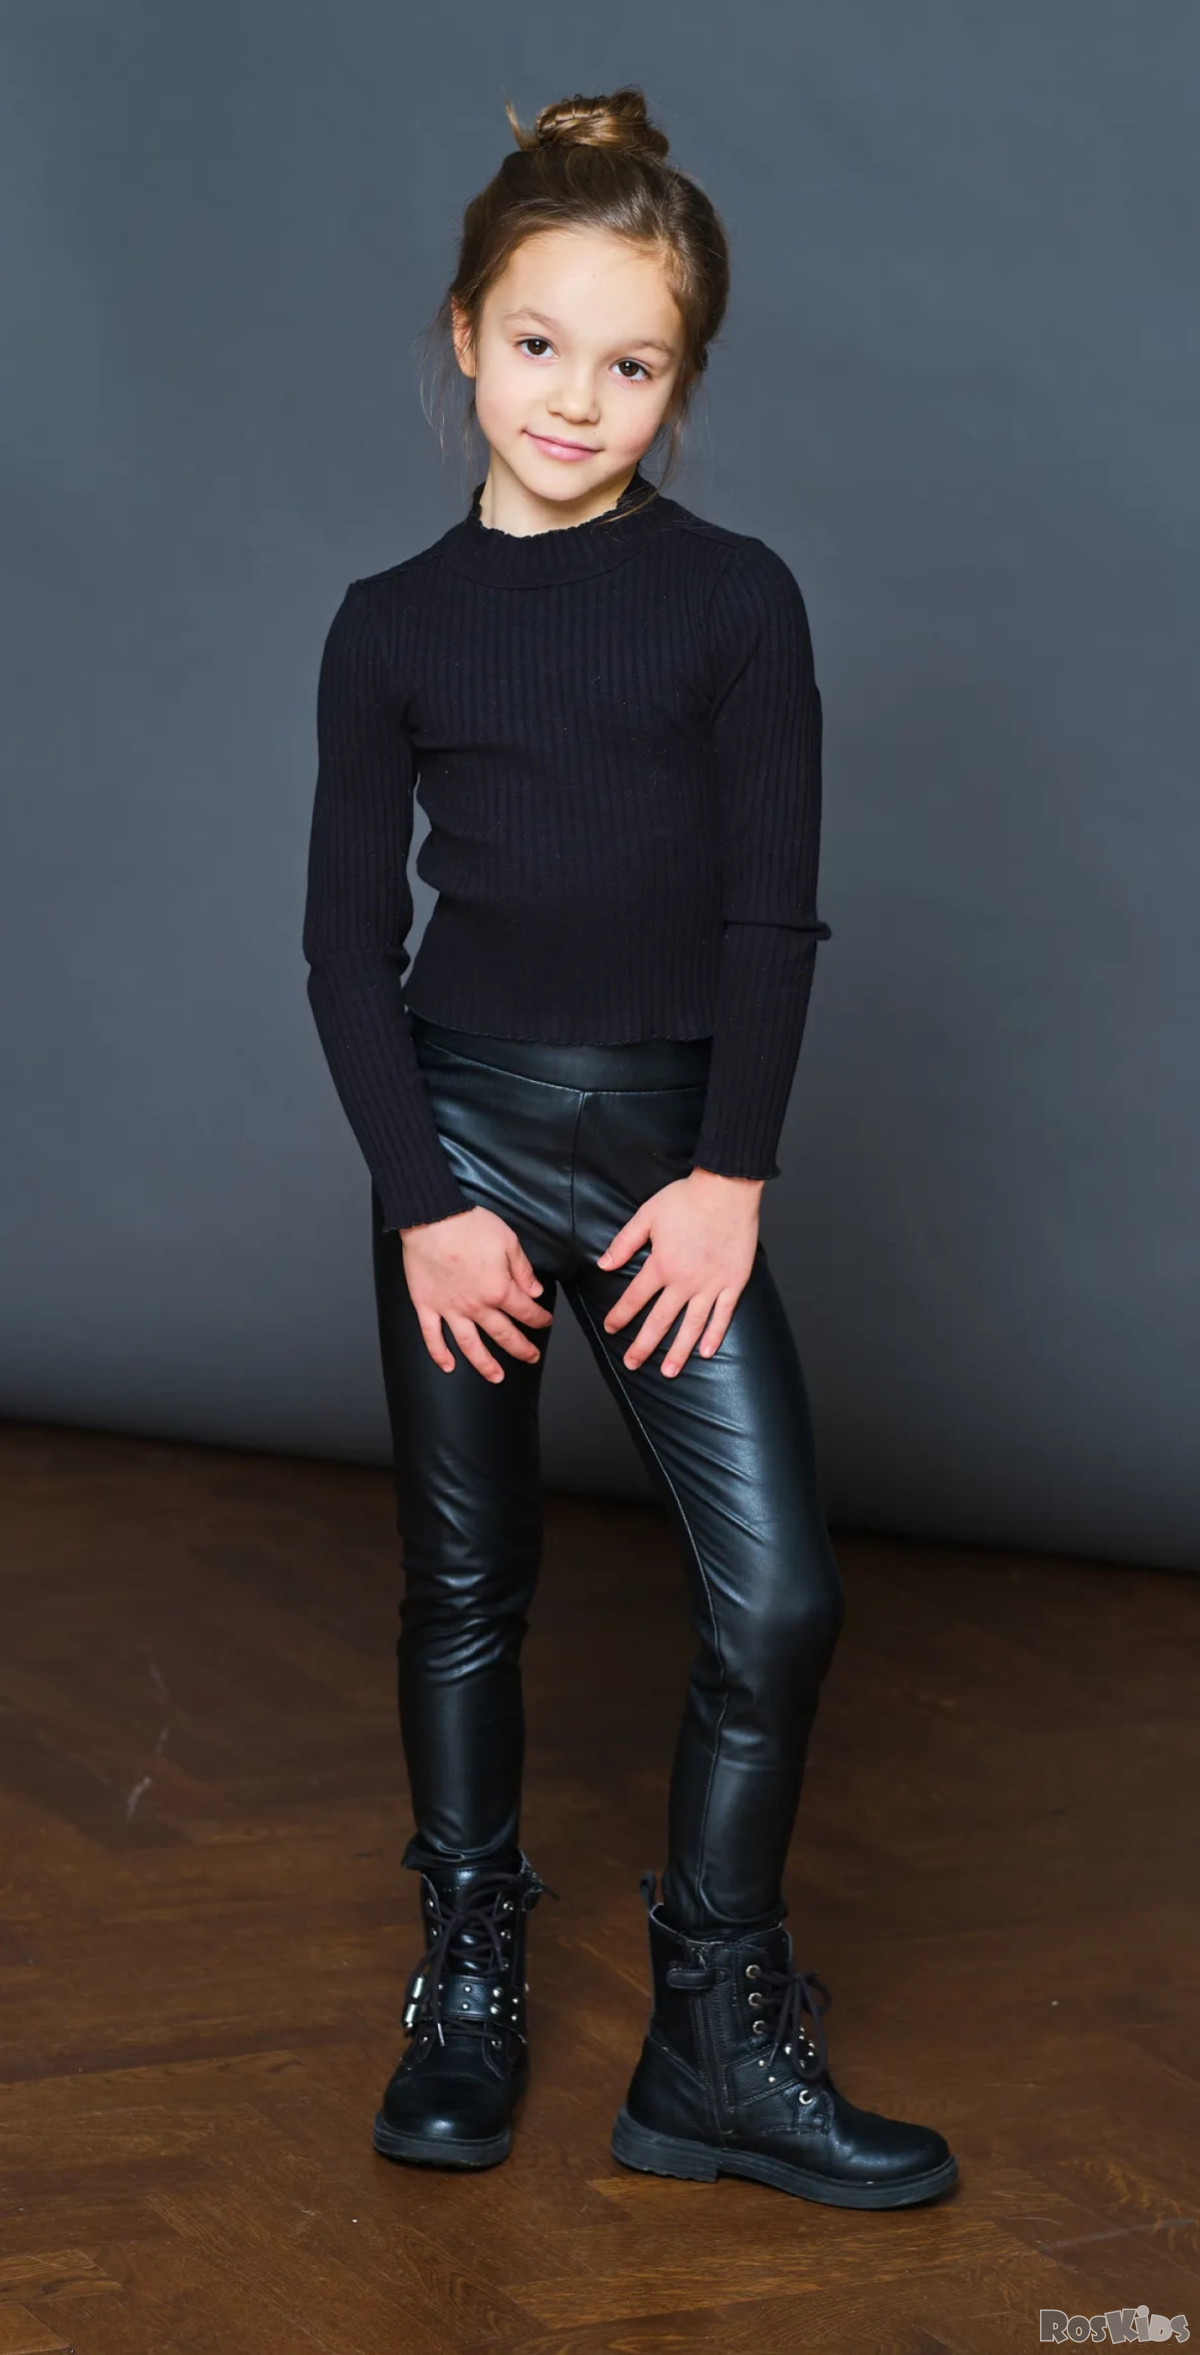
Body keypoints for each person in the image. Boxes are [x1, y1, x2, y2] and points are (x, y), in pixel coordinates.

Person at [302, 83, 957, 2209]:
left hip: (678, 1159)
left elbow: (774, 913)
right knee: (466, 1585)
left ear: (682, 385)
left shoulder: (737, 602)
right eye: (537, 343)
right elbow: (344, 944)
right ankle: (468, 1977)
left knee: (779, 1598)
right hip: (462, 1143)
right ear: (463, 333)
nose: (576, 400)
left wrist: (731, 1173)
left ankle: (712, 2037)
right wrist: (425, 1203)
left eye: (633, 364)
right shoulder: (391, 623)